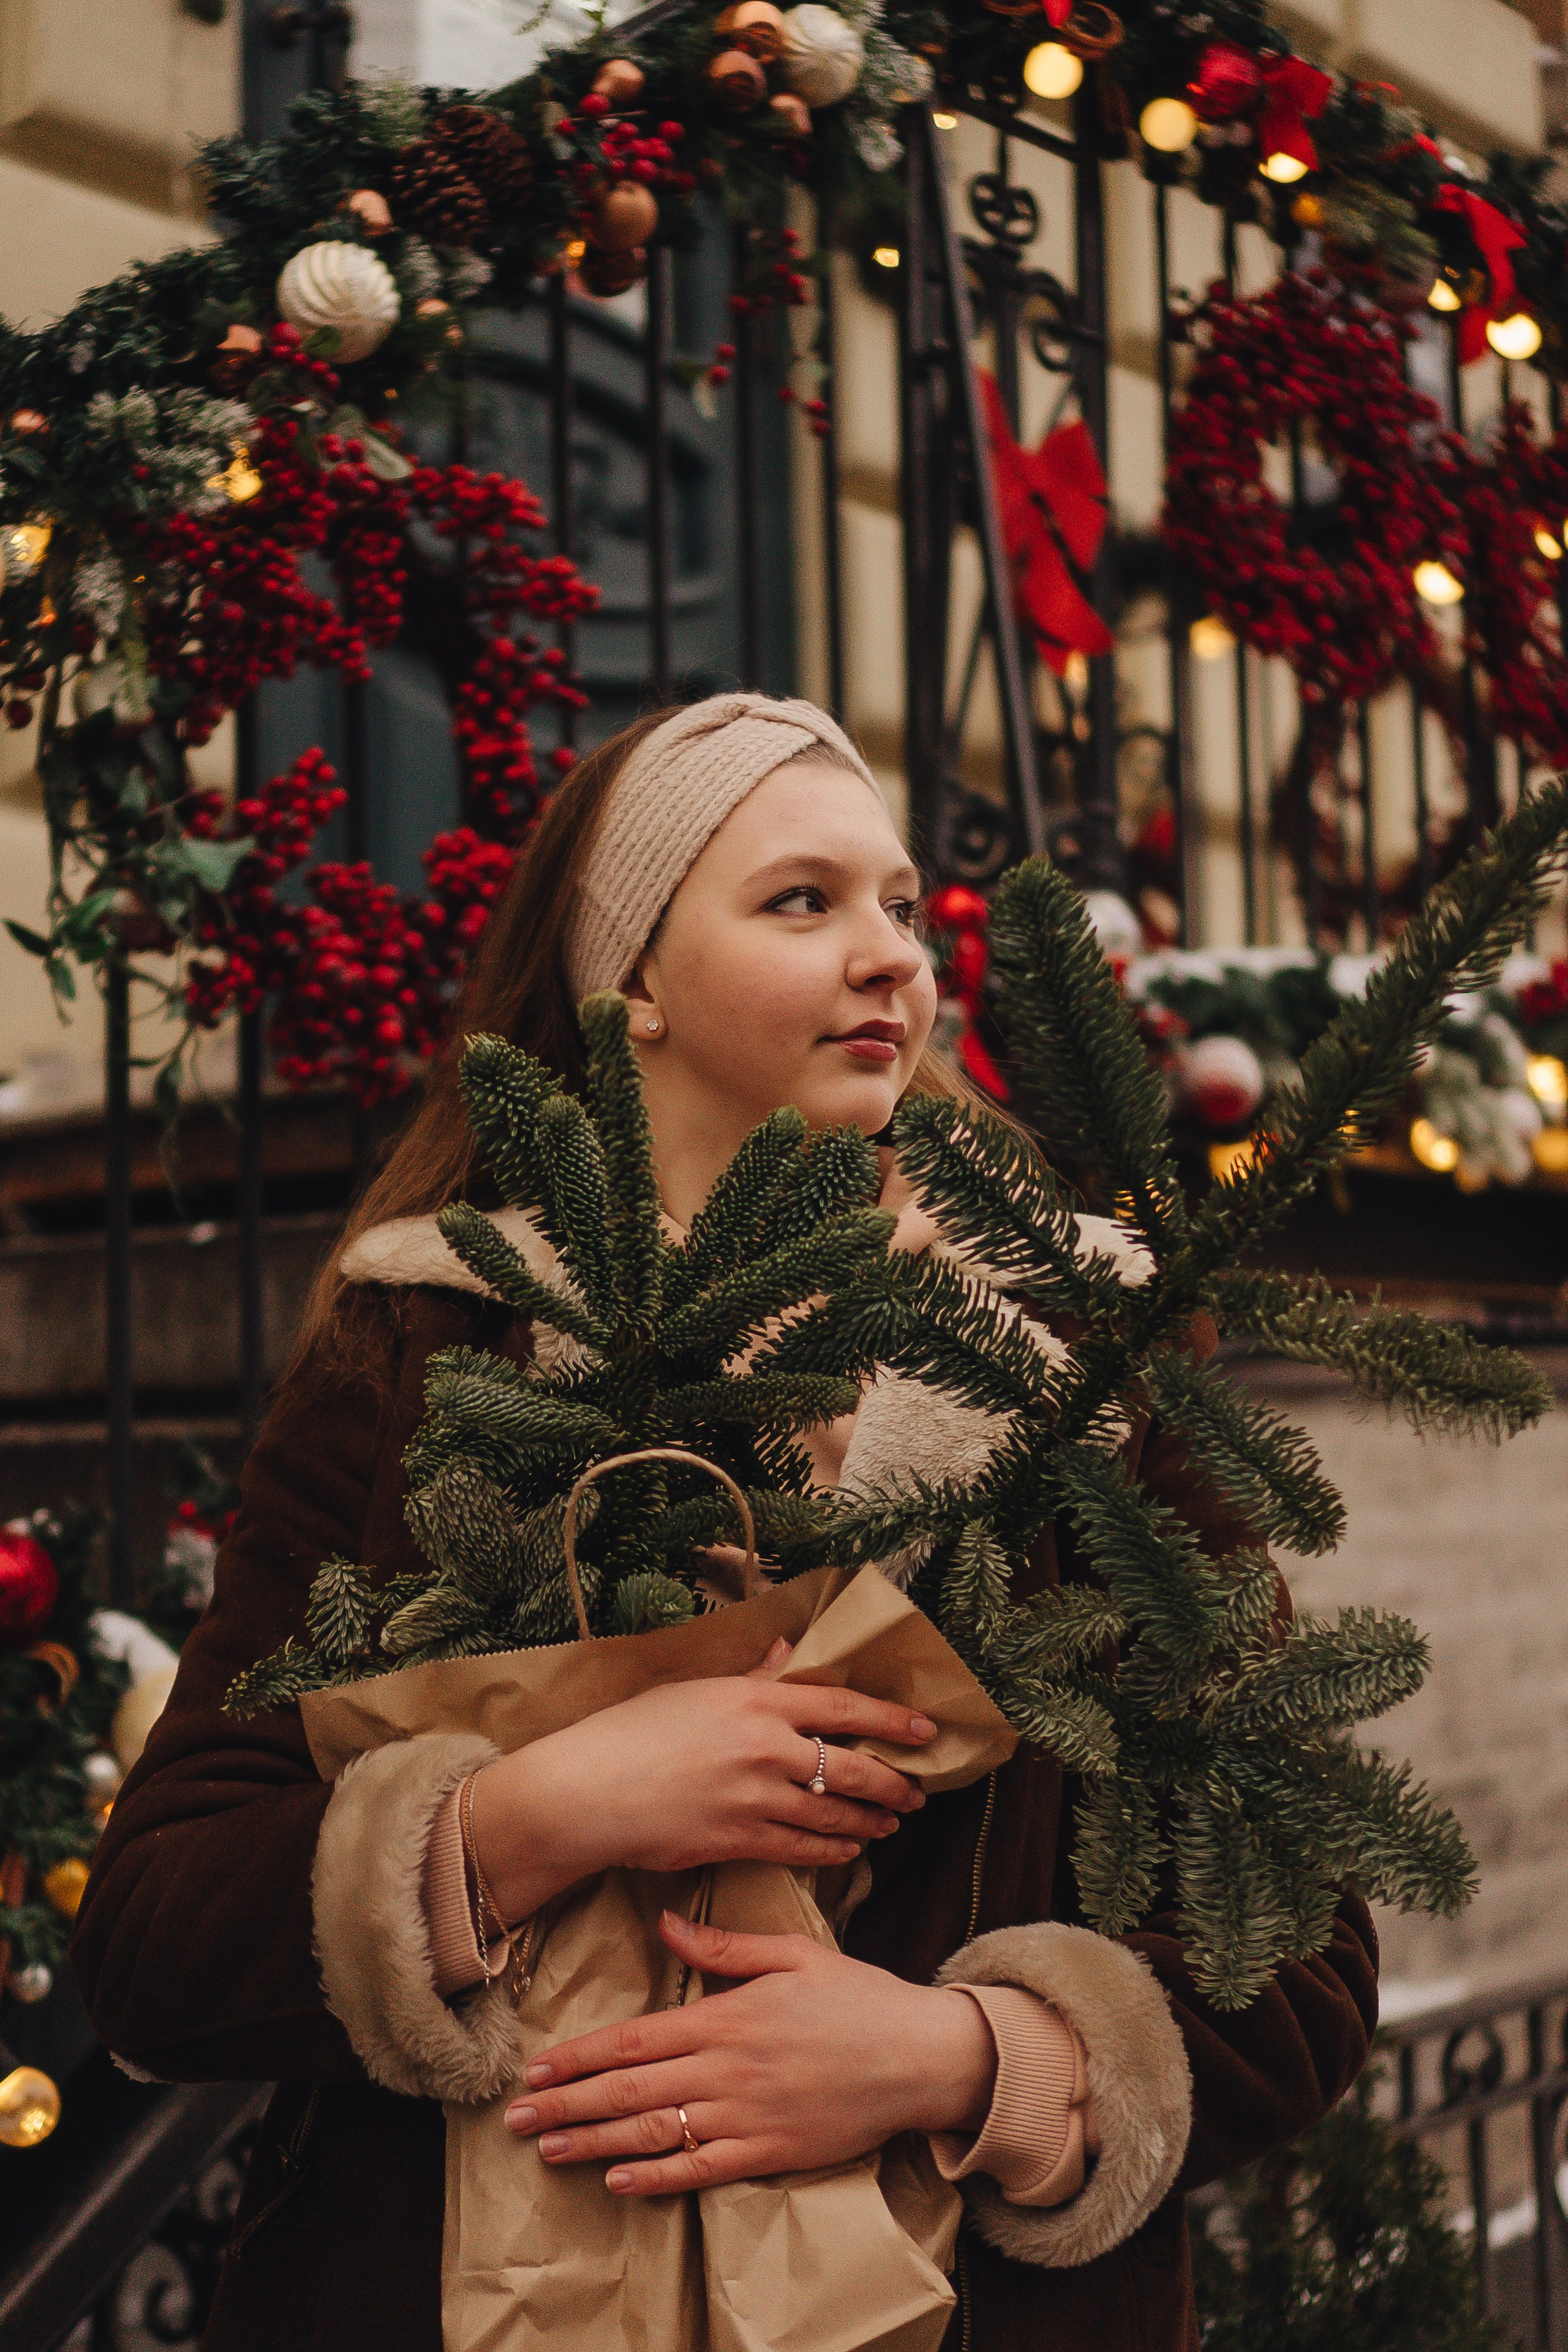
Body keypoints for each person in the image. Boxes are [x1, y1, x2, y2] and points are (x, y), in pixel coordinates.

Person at [72, 694, 1377, 2352]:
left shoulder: (1075, 1362)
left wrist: (968, 2059)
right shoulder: (427, 1349)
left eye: (901, 904)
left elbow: (1311, 1945)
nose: (893, 955)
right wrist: (528, 1816)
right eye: (801, 902)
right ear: (633, 985)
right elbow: (157, 1935)